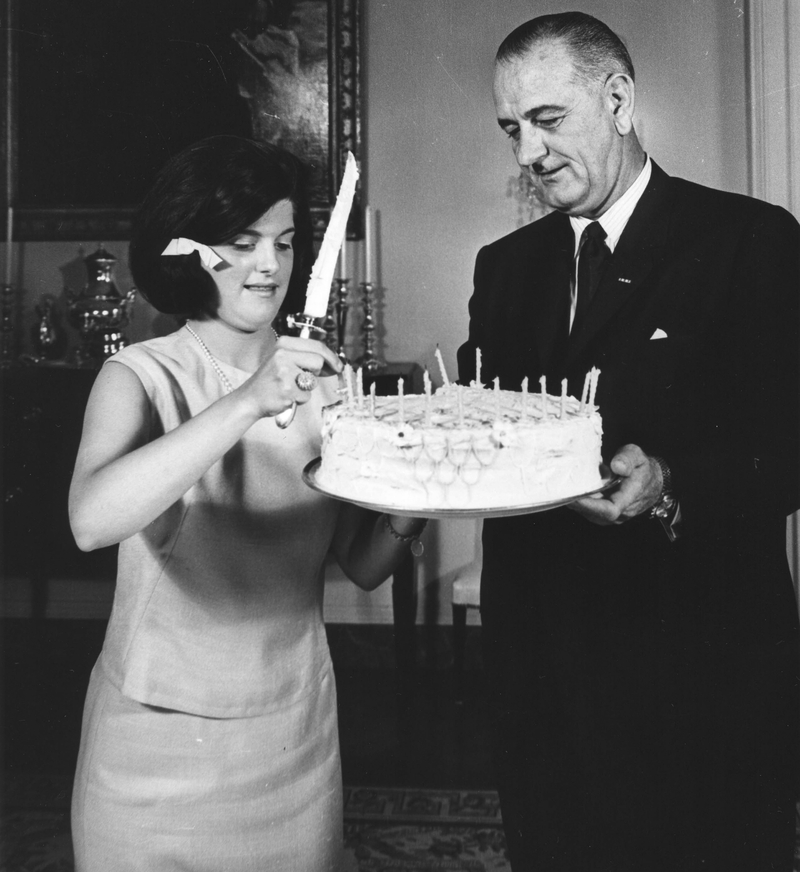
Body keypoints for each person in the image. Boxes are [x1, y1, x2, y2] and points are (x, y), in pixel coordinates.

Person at [457, 12, 800, 871]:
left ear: (618, 98)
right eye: (510, 129)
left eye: (546, 120)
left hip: (698, 657)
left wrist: (671, 481)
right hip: (540, 654)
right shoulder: (503, 266)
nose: (526, 156)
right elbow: (478, 426)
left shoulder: (750, 240)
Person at [68, 135, 426, 871]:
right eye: (243, 242)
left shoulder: (328, 387)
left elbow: (361, 567)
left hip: (290, 737)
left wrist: (416, 496)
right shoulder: (138, 376)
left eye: (286, 243)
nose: (271, 265)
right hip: (153, 740)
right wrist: (249, 402)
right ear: (189, 249)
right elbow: (90, 522)